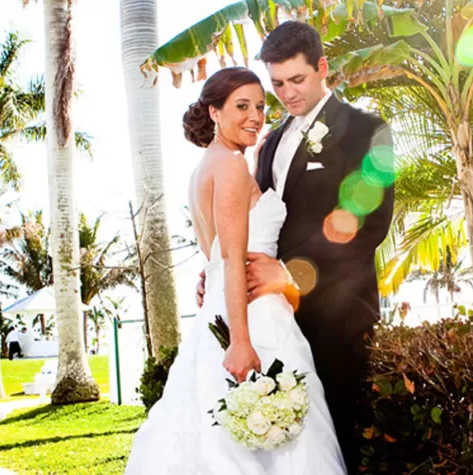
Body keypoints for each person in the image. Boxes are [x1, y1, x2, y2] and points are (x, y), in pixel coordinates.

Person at [124, 67, 346, 474]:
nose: (255, 116)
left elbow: (215, 256)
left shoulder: (206, 166)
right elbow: (229, 258)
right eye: (241, 106)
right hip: (253, 321)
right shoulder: (229, 166)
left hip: (225, 309)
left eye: (260, 106)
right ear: (214, 112)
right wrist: (241, 343)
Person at [199, 22, 394, 472]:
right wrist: (218, 271)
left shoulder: (367, 129)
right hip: (275, 322)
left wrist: (288, 271)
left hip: (338, 316)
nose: (286, 94)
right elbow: (254, 221)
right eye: (278, 83)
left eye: (297, 80)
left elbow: (367, 222)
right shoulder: (268, 145)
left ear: (322, 67)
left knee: (338, 439)